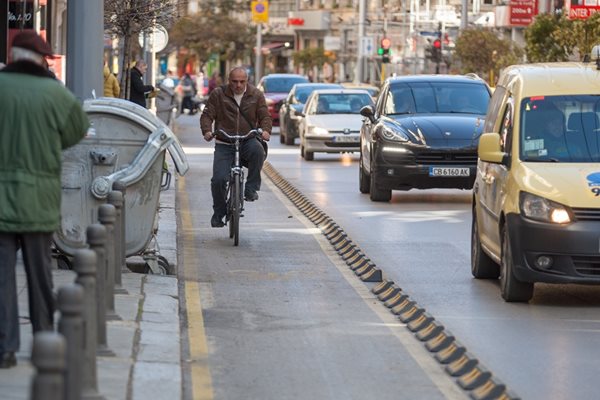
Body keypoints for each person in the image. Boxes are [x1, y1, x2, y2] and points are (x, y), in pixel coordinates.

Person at [0, 31, 89, 369]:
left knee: (3, 275)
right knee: (40, 273)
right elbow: (76, 130)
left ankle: (5, 347)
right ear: (40, 60)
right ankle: (43, 339)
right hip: (39, 197)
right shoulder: (56, 94)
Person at [200, 66, 272, 228]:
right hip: (224, 141)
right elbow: (207, 114)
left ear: (247, 81)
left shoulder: (256, 95)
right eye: (234, 81)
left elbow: (264, 115)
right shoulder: (219, 94)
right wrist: (207, 131)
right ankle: (219, 213)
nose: (238, 85)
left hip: (247, 139)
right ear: (228, 81)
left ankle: (251, 188)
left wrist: (266, 131)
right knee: (218, 180)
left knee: (258, 151)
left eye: (242, 81)